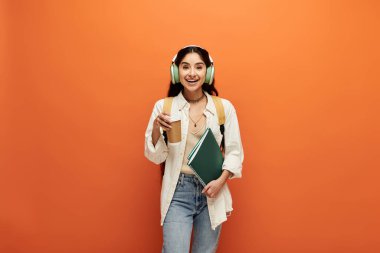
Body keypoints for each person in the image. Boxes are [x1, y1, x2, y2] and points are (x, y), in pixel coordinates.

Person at [144, 45, 244, 253]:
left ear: (207, 72)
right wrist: (156, 127)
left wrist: (220, 182)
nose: (191, 73)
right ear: (176, 71)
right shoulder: (164, 107)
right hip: (178, 191)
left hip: (212, 189)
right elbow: (155, 156)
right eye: (185, 67)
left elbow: (235, 152)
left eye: (198, 67)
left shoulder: (223, 108)